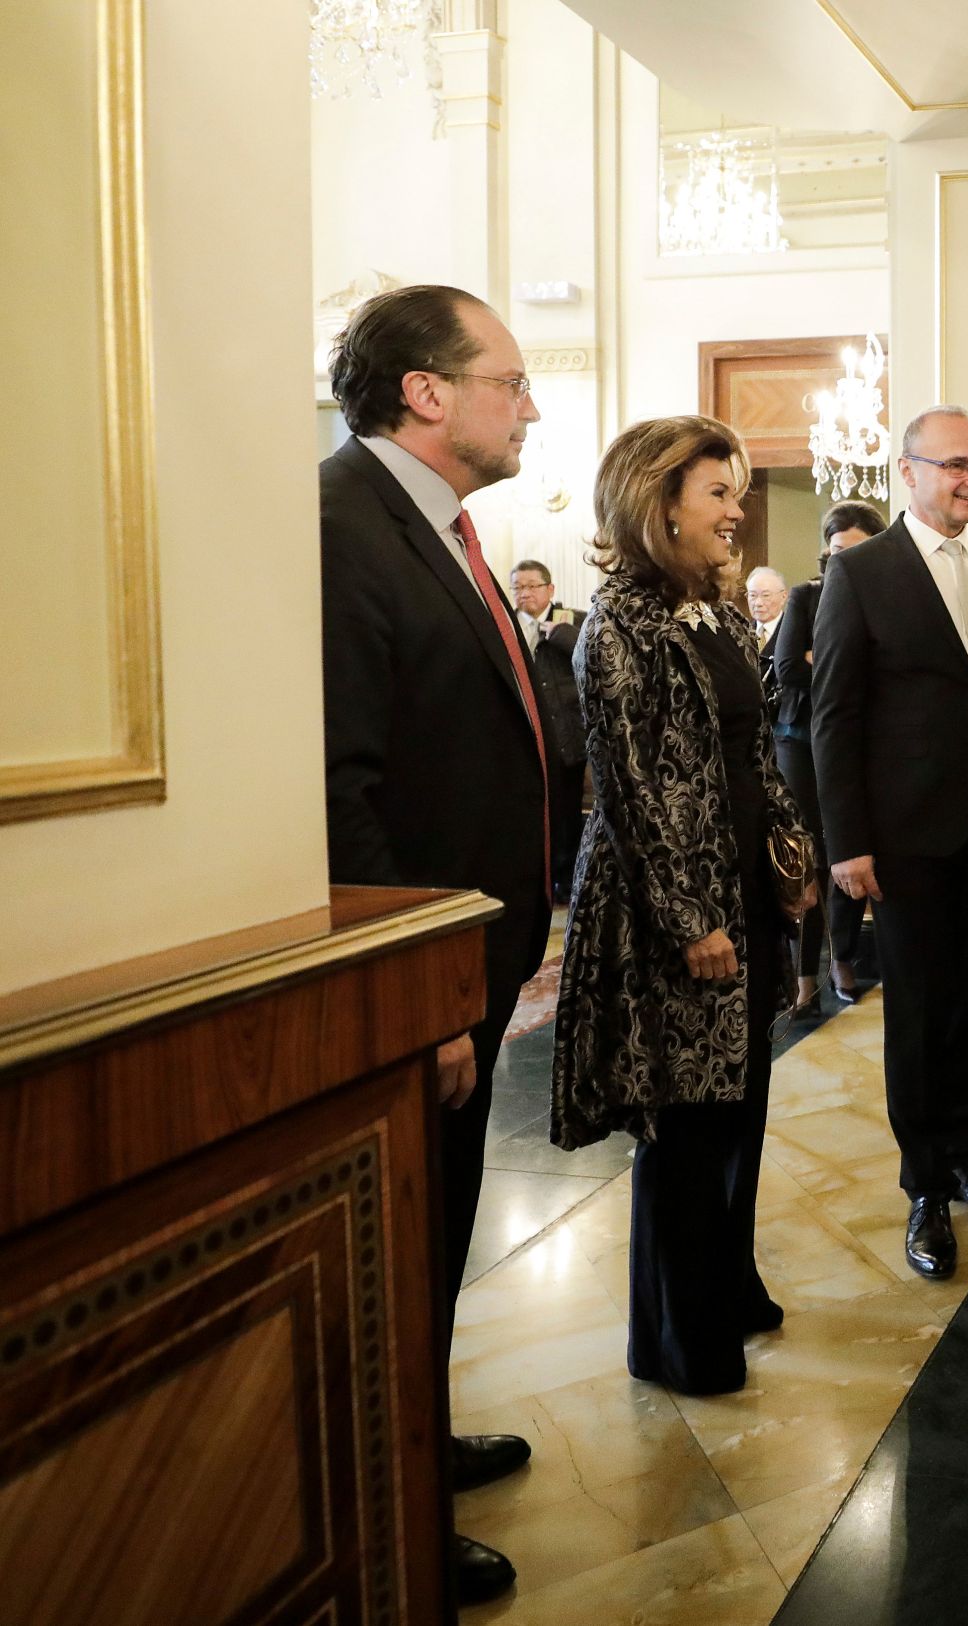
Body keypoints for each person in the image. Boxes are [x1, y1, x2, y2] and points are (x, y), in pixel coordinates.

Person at [319, 283, 548, 1605]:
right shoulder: (341, 524)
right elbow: (341, 794)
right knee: (401, 1235)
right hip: (420, 969)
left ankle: (422, 1420)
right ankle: (391, 1495)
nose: (529, 406)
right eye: (508, 381)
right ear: (425, 391)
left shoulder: (437, 525)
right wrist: (423, 992)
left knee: (441, 1216)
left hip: (473, 954)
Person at [550, 415, 814, 1396]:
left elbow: (756, 755)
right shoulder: (617, 624)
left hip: (744, 894)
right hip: (671, 914)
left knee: (738, 1107)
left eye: (735, 491)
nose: (736, 510)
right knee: (687, 1127)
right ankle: (676, 1342)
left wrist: (791, 854)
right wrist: (688, 917)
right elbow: (628, 795)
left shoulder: (718, 614)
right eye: (717, 493)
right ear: (658, 505)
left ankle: (727, 1285)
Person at [813, 405, 968, 1281]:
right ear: (909, 472)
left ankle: (964, 1155)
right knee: (921, 1012)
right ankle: (923, 1185)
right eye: (956, 465)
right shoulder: (863, 572)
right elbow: (835, 716)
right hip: (906, 836)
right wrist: (847, 842)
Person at [771, 500, 887, 1014]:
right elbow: (788, 668)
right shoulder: (806, 595)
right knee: (810, 856)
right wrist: (847, 666)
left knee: (853, 844)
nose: (844, 560)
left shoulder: (888, 594)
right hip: (800, 738)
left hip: (863, 739)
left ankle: (843, 957)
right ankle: (804, 977)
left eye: (855, 550)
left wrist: (827, 658)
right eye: (837, 550)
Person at [511, 558, 587, 900]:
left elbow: (590, 654)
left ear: (549, 589)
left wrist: (560, 634)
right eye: (518, 587)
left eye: (531, 586)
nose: (524, 594)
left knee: (566, 812)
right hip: (527, 735)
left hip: (567, 736)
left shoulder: (571, 620)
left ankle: (566, 880)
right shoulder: (508, 624)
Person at [746, 565, 788, 649]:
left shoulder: (794, 632)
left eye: (766, 595)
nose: (758, 603)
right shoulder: (742, 633)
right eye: (753, 595)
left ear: (783, 597)